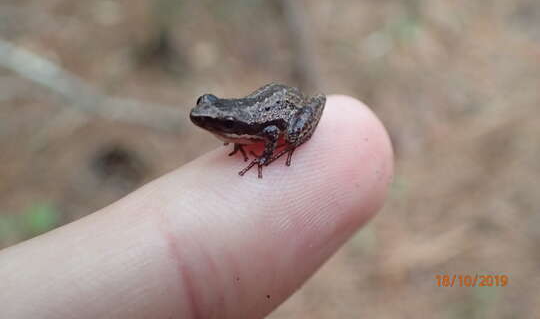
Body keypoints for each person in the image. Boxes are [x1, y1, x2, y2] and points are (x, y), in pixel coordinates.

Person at [0, 96, 393, 318]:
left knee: (286, 132)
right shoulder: (235, 128)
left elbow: (272, 129)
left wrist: (266, 154)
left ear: (223, 124)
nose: (201, 122)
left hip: (285, 112)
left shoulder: (250, 127)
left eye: (211, 120)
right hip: (267, 105)